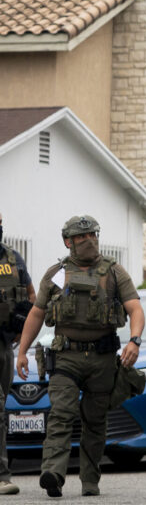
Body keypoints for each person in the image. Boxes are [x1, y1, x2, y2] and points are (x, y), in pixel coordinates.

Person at [16, 215, 145, 498]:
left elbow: (135, 308)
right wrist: (22, 351)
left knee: (95, 420)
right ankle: (53, 474)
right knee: (61, 414)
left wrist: (135, 341)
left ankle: (90, 480)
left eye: (93, 235)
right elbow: (36, 313)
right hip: (66, 357)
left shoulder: (115, 272)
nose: (89, 241)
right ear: (68, 241)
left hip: (102, 358)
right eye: (81, 237)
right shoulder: (56, 274)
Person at [0, 212, 35, 496]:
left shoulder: (13, 259)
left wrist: (21, 329)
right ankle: (2, 475)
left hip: (5, 345)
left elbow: (31, 298)